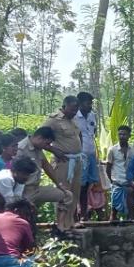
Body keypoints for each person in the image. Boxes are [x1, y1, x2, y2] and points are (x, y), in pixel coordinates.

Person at [18, 127, 73, 229]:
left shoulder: (38, 149)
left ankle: (60, 228)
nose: (48, 147)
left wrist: (59, 185)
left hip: (36, 188)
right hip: (24, 191)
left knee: (67, 195)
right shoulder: (21, 148)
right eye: (47, 144)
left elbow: (46, 166)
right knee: (25, 216)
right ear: (39, 138)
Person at [44, 96, 85, 229]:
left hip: (77, 160)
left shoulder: (73, 120)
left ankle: (70, 223)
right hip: (63, 161)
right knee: (64, 192)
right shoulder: (53, 120)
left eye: (76, 109)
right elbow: (38, 137)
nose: (75, 112)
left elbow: (78, 136)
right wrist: (53, 149)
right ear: (65, 106)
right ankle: (61, 225)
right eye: (73, 109)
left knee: (75, 192)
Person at [75, 91, 100, 220]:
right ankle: (77, 213)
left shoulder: (92, 116)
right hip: (80, 155)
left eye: (91, 103)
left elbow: (93, 131)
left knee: (88, 184)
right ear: (79, 104)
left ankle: (84, 214)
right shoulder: (74, 117)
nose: (90, 106)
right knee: (79, 184)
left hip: (91, 153)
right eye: (87, 103)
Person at [106, 125, 132, 220]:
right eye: (120, 134)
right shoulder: (112, 150)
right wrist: (112, 180)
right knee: (114, 207)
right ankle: (112, 223)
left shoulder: (132, 149)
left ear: (129, 135)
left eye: (124, 134)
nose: (122, 136)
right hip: (117, 182)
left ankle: (130, 222)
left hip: (129, 182)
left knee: (131, 205)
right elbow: (108, 167)